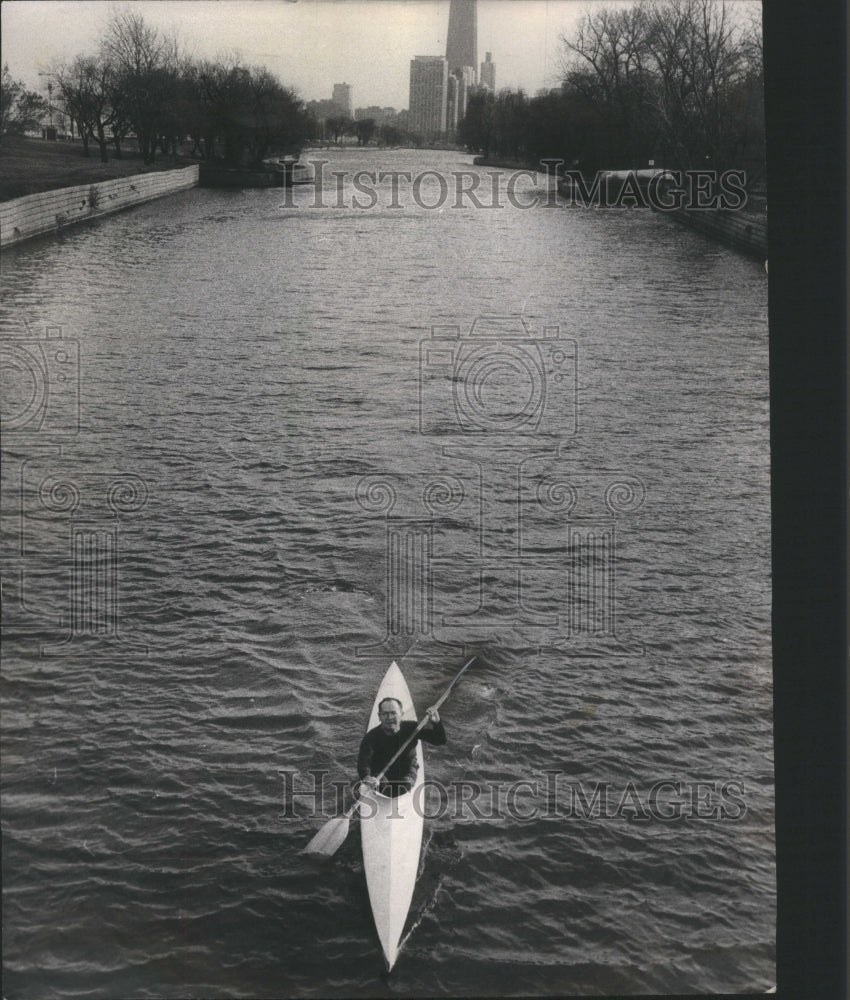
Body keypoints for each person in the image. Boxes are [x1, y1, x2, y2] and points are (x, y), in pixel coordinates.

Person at [356, 697, 446, 798]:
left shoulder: (412, 728)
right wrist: (367, 777)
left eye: (393, 713)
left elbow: (440, 740)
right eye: (385, 714)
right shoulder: (371, 737)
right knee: (383, 787)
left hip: (406, 771)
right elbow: (364, 763)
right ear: (379, 716)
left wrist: (436, 722)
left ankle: (399, 797)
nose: (389, 717)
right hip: (381, 774)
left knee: (404, 786)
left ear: (401, 714)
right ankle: (382, 796)